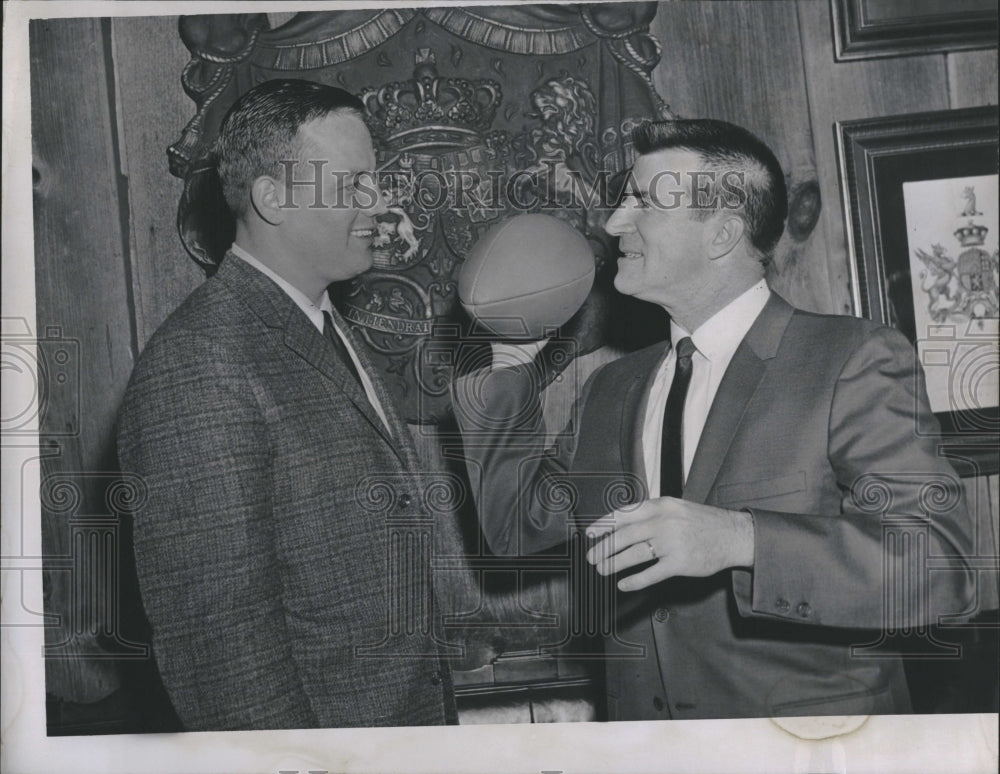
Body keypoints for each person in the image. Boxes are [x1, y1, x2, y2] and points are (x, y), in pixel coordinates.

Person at [452, 118, 976, 720]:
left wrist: (739, 538)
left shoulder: (852, 360)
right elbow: (517, 526)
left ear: (723, 232)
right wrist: (506, 370)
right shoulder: (610, 388)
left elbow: (940, 569)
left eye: (642, 201)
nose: (613, 222)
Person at [118, 79, 455, 730]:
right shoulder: (199, 365)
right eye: (351, 185)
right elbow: (221, 650)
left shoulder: (327, 327)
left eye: (374, 180)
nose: (379, 203)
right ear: (272, 199)